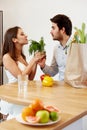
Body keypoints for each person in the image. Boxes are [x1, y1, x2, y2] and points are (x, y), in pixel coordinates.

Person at [0, 26, 45, 120]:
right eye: (22, 34)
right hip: (13, 98)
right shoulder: (7, 57)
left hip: (22, 95)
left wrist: (36, 62)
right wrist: (33, 60)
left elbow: (30, 78)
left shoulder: (21, 56)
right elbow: (21, 77)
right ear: (14, 39)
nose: (26, 35)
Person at [38, 14, 72, 81]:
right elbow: (53, 72)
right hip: (62, 88)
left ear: (62, 30)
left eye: (53, 28)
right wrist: (43, 66)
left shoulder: (78, 47)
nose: (51, 32)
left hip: (76, 88)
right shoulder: (56, 49)